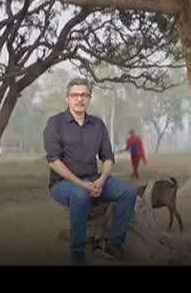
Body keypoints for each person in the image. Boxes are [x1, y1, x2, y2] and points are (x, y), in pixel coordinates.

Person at [44, 77, 138, 266]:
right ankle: (77, 255)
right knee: (80, 195)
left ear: (89, 98)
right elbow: (54, 161)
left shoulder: (98, 125)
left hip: (95, 180)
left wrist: (102, 180)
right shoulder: (55, 123)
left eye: (84, 95)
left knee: (129, 191)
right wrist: (81, 184)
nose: (80, 99)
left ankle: (114, 243)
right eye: (75, 95)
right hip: (63, 185)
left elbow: (108, 158)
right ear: (67, 99)